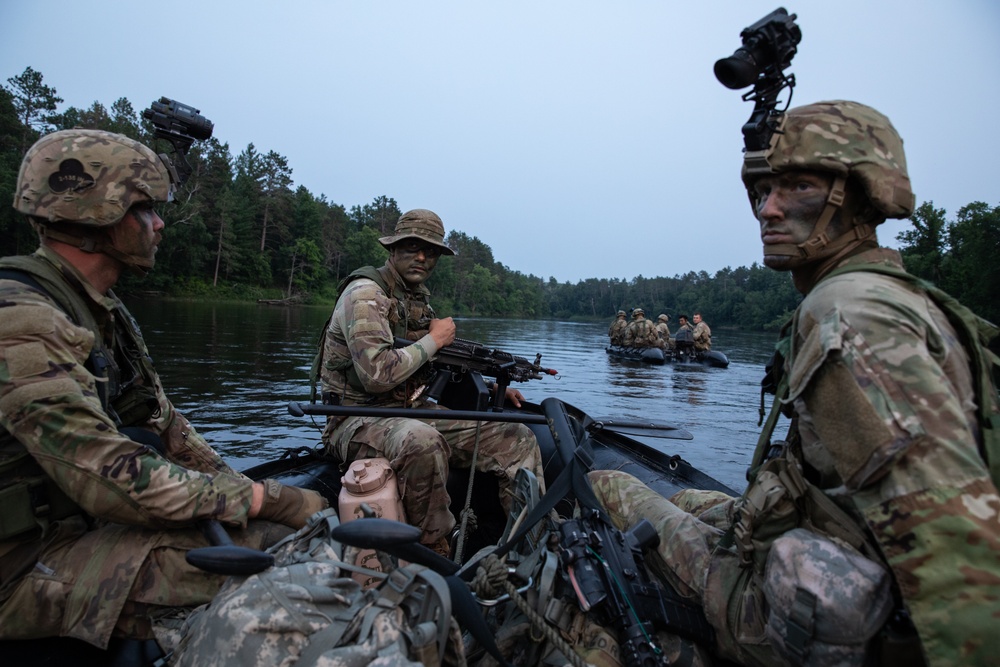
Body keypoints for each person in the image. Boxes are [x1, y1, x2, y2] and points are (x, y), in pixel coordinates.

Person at [588, 100, 1000, 665]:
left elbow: (953, 549)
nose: (768, 211)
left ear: (860, 197)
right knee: (689, 497)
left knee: (608, 484)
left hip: (802, 619)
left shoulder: (845, 316)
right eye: (764, 192)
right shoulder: (901, 296)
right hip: (820, 546)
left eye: (799, 188)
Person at [0, 130, 327, 650]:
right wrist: (269, 498)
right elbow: (108, 477)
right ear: (98, 215)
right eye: (145, 210)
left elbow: (165, 425)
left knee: (294, 541)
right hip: (19, 567)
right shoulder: (21, 319)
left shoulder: (102, 310)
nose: (159, 224)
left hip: (83, 532)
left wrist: (243, 495)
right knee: (287, 582)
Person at [318, 209, 545, 556]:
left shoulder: (415, 300)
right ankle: (433, 550)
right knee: (423, 441)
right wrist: (434, 340)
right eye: (412, 246)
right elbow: (377, 375)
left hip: (409, 409)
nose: (422, 257)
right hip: (355, 418)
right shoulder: (365, 296)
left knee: (517, 436)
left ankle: (527, 545)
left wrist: (494, 387)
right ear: (393, 250)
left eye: (431, 250)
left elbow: (429, 366)